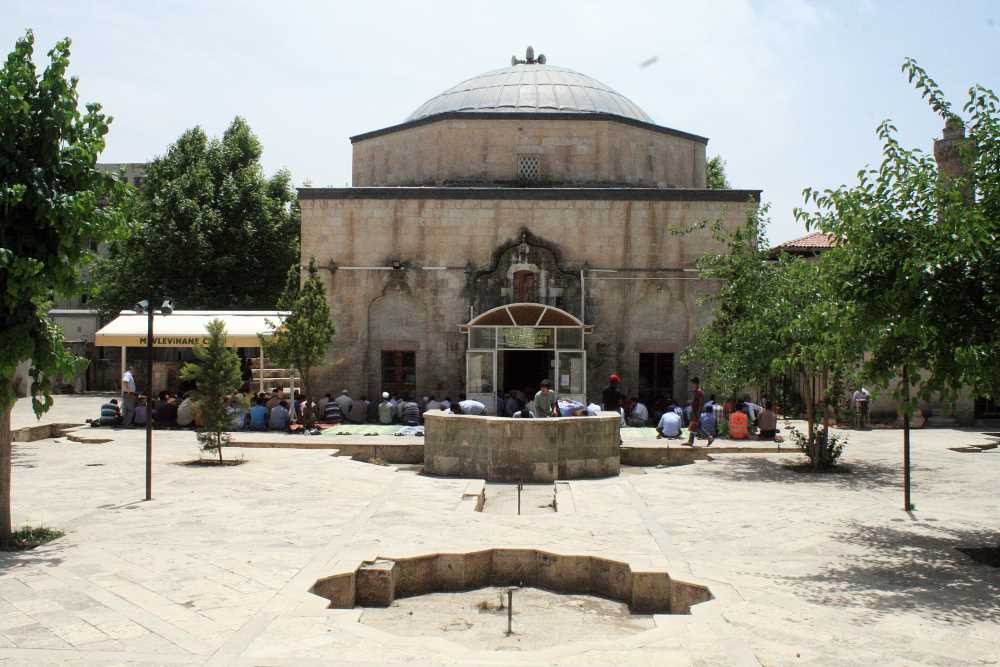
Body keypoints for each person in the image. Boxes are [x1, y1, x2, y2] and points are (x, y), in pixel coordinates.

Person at [685, 377, 709, 446]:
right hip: (694, 412)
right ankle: (709, 437)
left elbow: (701, 403)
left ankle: (690, 441)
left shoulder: (699, 392)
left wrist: (698, 412)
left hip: (696, 412)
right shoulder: (696, 392)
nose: (692, 385)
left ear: (696, 384)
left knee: (693, 426)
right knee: (697, 426)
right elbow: (696, 402)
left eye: (693, 383)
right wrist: (691, 402)